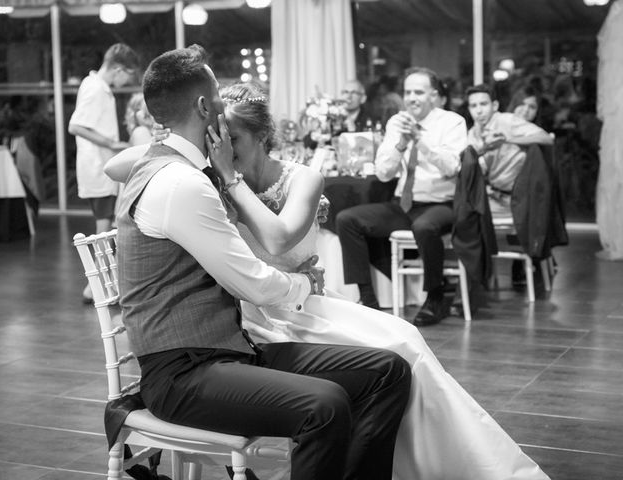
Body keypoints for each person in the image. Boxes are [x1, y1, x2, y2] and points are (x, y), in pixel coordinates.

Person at [107, 80, 550, 480]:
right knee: (337, 395)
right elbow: (119, 166)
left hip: (278, 311)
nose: (224, 146)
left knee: (398, 356)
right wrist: (181, 140)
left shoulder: (288, 176)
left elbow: (279, 243)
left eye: (233, 138)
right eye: (215, 136)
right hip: (237, 324)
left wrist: (227, 172)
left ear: (262, 137)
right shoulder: (190, 179)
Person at [114, 45, 411, 480]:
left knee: (388, 371)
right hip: (183, 375)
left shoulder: (187, 171)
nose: (223, 104)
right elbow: (252, 284)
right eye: (218, 96)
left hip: (227, 352)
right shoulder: (179, 182)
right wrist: (306, 283)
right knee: (324, 407)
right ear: (203, 106)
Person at [335, 67, 468, 325]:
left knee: (425, 226)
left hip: (441, 203)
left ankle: (436, 296)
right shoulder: (397, 122)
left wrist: (421, 140)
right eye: (408, 92)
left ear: (433, 95)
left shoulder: (452, 122)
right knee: (346, 219)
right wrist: (400, 144)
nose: (412, 98)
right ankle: (368, 300)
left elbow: (453, 167)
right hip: (404, 205)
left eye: (419, 92)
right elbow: (384, 174)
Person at [68, 42, 140, 303]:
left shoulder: (97, 87)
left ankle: (101, 287)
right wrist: (111, 143)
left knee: (105, 228)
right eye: (128, 75)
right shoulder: (96, 89)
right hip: (97, 168)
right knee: (103, 232)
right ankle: (96, 288)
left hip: (100, 167)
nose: (126, 82)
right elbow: (76, 125)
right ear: (119, 69)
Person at [466, 84, 554, 219]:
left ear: (494, 106)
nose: (478, 110)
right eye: (473, 106)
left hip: (518, 198)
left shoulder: (507, 121)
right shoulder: (473, 133)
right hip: (491, 195)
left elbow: (547, 139)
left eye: (483, 104)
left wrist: (507, 139)